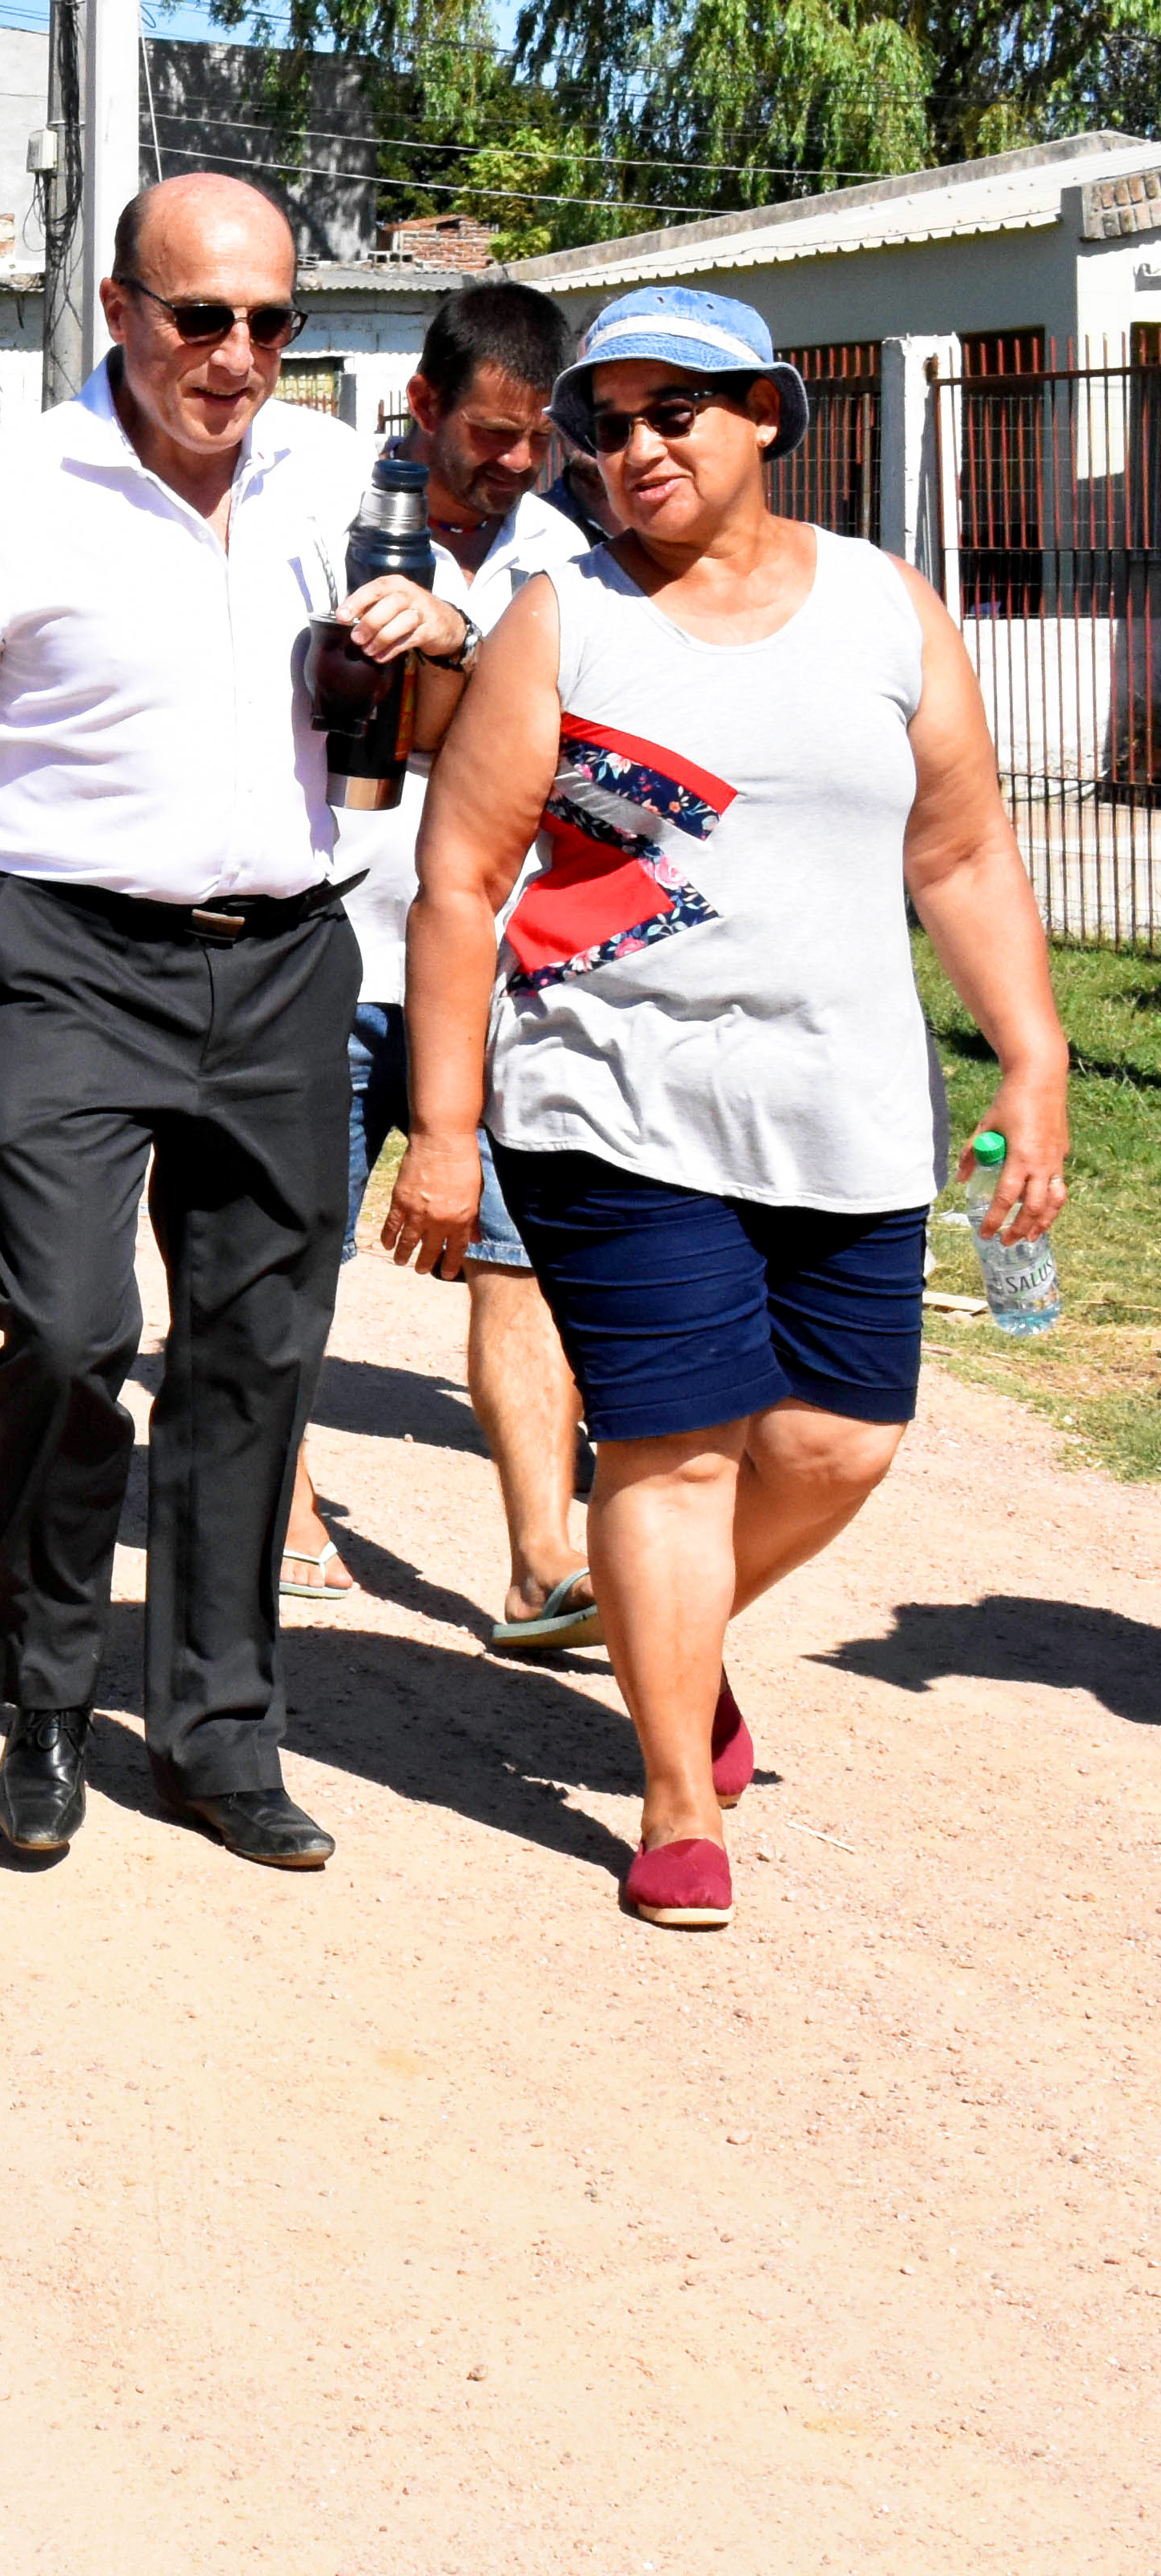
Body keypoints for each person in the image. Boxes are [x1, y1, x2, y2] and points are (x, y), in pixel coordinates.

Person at [394, 283, 1069, 1928]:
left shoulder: (881, 608)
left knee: (839, 1438)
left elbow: (960, 851)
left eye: (669, 411)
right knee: (674, 1453)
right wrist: (440, 1120)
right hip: (608, 1102)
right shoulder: (563, 620)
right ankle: (677, 1790)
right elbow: (458, 874)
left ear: (765, 410)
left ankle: (659, 1638)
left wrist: (1033, 1054)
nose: (632, 449)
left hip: (840, 1104)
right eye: (599, 425)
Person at [0, 172, 471, 1871]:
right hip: (68, 958)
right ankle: (44, 1701)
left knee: (256, 1357)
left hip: (285, 960)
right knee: (58, 1326)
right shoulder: (7, 493)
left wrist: (444, 619)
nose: (238, 354)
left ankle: (214, 1731)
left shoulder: (342, 478)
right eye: (201, 316)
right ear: (117, 310)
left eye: (271, 321)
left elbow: (502, 599)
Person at [273, 280, 597, 1625]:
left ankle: (541, 1560)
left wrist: (466, 637)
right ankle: (271, 1503)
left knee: (529, 1263)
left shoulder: (568, 565)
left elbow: (568, 735)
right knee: (288, 1252)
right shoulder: (322, 523)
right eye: (491, 433)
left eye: (539, 439)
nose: (516, 462)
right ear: (423, 407)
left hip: (508, 977)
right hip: (332, 950)